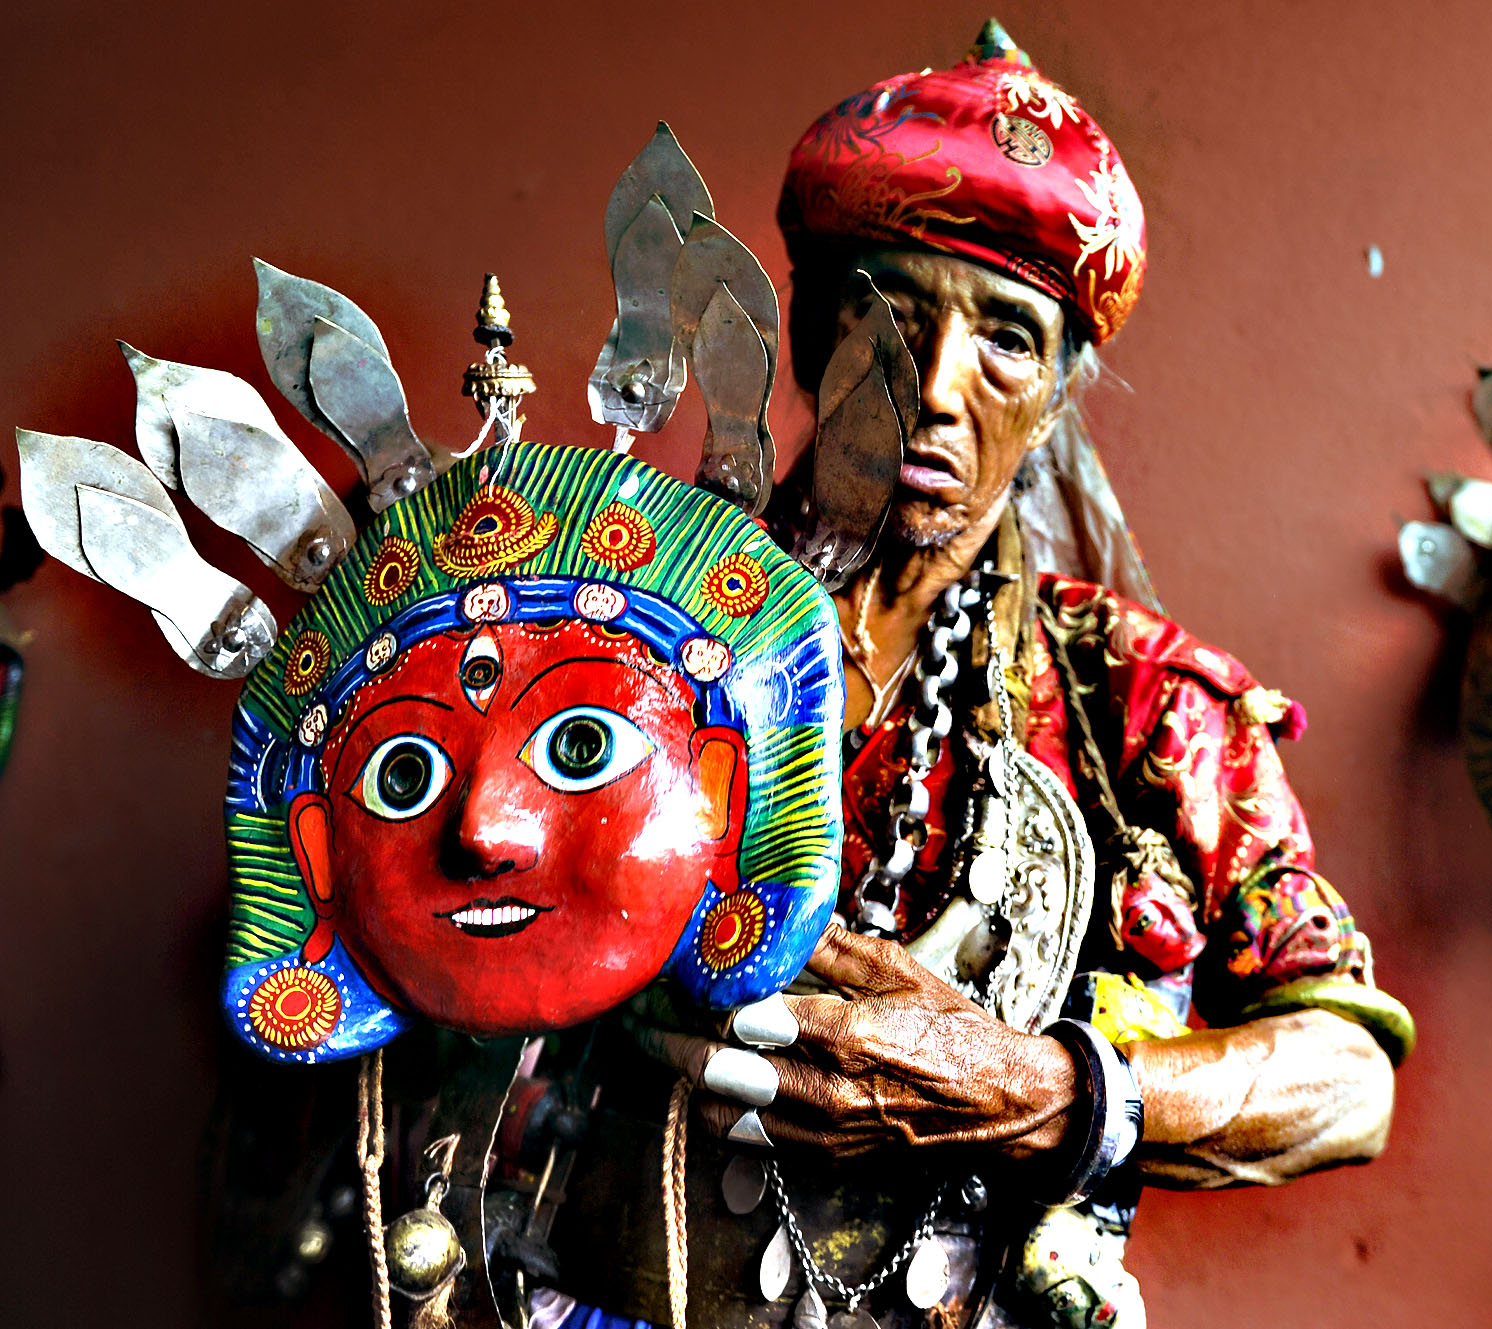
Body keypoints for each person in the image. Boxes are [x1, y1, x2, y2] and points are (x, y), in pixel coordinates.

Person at [538, 21, 1412, 1329]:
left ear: (1059, 392)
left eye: (1007, 337)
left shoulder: (1138, 701)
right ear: (812, 331)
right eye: (888, 314)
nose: (936, 387)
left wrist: (1044, 1092)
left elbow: (1349, 1077)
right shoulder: (613, 632)